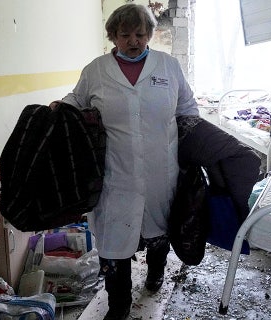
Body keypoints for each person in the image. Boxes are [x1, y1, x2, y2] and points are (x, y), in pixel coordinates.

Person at [50, 4, 199, 320]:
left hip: (162, 170)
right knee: (114, 242)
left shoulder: (168, 66)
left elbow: (188, 107)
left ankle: (156, 272)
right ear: (112, 36)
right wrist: (58, 109)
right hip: (114, 173)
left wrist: (192, 151)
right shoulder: (96, 70)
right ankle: (119, 305)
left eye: (141, 34)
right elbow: (75, 102)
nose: (134, 41)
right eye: (126, 34)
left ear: (149, 34)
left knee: (159, 231)